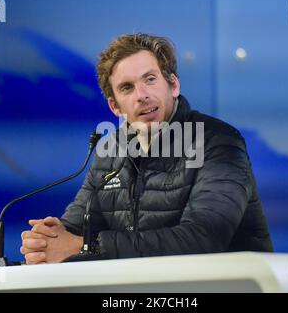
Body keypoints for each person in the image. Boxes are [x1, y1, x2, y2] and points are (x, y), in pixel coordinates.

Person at [20, 33, 274, 265]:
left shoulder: (219, 141)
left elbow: (202, 240)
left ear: (173, 85)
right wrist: (45, 242)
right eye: (127, 88)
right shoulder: (111, 151)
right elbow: (75, 230)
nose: (141, 95)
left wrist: (86, 246)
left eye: (150, 80)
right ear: (115, 107)